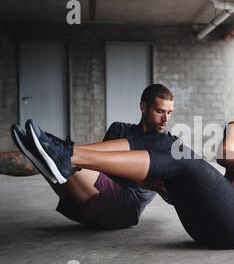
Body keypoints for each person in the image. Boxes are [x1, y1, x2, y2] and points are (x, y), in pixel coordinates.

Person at [17, 68, 234, 249]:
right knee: (167, 146)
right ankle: (66, 155)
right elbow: (225, 157)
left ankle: (66, 155)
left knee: (178, 153)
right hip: (203, 226)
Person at [3, 84, 176, 230]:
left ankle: (51, 154)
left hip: (123, 211)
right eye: (160, 111)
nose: (165, 119)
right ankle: (46, 157)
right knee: (53, 160)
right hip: (89, 200)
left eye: (169, 113)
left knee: (65, 160)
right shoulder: (119, 129)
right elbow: (96, 163)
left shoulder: (164, 144)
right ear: (143, 107)